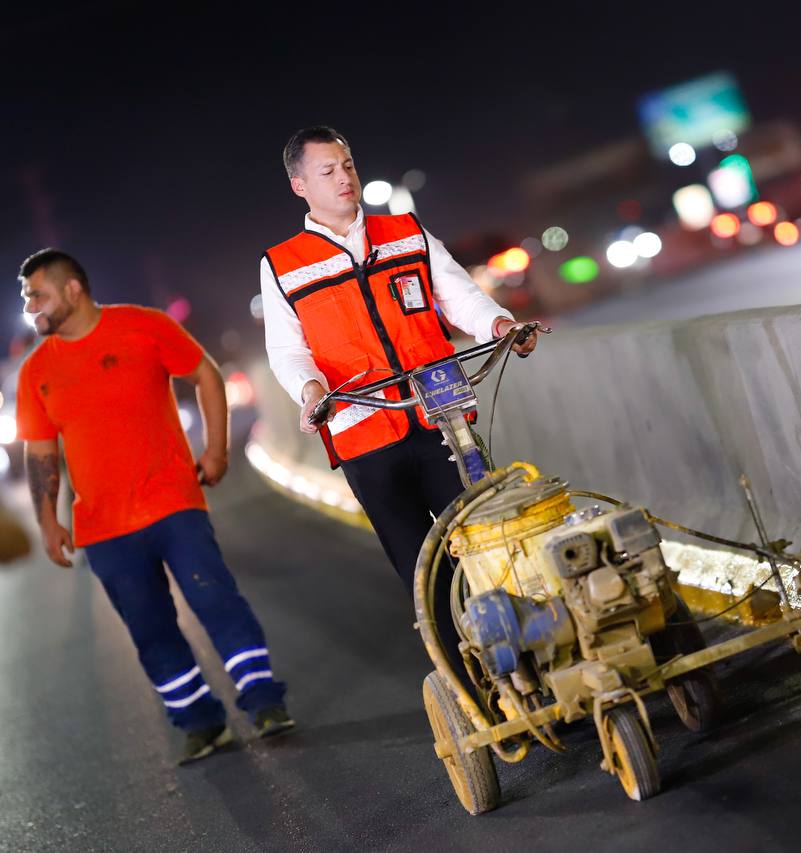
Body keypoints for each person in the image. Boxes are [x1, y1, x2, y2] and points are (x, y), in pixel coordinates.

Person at [16, 249, 294, 766]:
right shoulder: (36, 372)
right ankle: (200, 723)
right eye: (27, 296)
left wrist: (216, 450)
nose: (31, 305)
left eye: (38, 293)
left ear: (73, 289)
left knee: (215, 600)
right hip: (102, 528)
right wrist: (47, 519)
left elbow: (206, 375)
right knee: (149, 629)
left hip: (172, 502)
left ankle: (263, 701)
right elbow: (40, 452)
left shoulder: (143, 326)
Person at [260, 126, 542, 601]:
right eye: (327, 171)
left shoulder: (405, 232)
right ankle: (462, 667)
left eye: (347, 165)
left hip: (441, 419)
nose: (344, 178)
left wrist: (499, 325)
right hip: (365, 439)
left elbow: (461, 297)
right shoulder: (282, 263)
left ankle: (527, 649)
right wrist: (310, 390)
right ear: (300, 186)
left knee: (490, 541)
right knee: (425, 574)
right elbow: (288, 350)